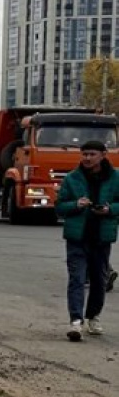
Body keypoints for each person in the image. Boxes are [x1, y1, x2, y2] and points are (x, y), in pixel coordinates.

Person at [56, 140, 119, 341]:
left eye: (92, 154)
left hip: (101, 238)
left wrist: (110, 209)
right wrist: (76, 204)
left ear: (103, 154)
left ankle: (93, 317)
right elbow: (59, 207)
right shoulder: (72, 178)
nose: (87, 158)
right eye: (84, 154)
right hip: (77, 238)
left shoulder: (115, 178)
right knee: (77, 279)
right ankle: (76, 321)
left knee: (99, 281)